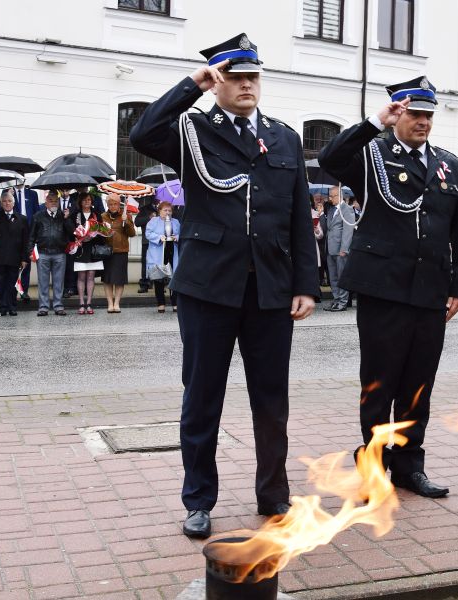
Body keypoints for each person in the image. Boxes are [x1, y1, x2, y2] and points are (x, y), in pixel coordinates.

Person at [130, 33, 319, 538]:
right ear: (217, 83)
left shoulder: (283, 137)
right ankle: (198, 499)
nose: (246, 85)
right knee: (202, 397)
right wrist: (191, 84)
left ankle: (273, 493)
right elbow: (142, 134)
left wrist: (306, 284)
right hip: (208, 287)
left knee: (271, 400)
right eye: (235, 78)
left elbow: (298, 216)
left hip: (270, 289)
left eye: (253, 77)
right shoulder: (193, 129)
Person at [319, 75, 458, 498]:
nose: (423, 122)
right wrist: (375, 122)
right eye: (415, 114)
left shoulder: (449, 165)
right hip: (382, 288)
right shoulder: (371, 155)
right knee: (379, 384)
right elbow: (331, 158)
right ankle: (372, 470)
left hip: (430, 289)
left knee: (418, 385)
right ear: (398, 114)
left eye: (428, 115)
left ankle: (409, 466)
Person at [30, 190, 74, 316]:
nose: (53, 203)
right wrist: (30, 251)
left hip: (59, 253)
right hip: (43, 253)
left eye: (56, 201)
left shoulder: (63, 215)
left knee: (58, 282)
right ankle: (43, 307)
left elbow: (72, 232)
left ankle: (58, 306)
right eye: (51, 201)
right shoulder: (38, 216)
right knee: (43, 282)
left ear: (59, 203)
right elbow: (31, 236)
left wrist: (67, 218)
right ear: (46, 203)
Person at [0, 190, 29, 316]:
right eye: (4, 201)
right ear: (1, 203)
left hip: (15, 257)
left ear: (13, 203)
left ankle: (12, 306)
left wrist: (24, 258)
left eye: (9, 201)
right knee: (1, 283)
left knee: (13, 283)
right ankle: (2, 307)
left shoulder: (22, 218)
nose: (7, 203)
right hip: (0, 257)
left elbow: (25, 240)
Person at [100, 193, 136, 313]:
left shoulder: (126, 215)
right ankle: (110, 303)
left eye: (115, 204)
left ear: (119, 204)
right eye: (110, 204)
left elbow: (132, 234)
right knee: (107, 279)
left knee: (119, 279)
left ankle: (117, 303)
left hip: (121, 251)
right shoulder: (103, 216)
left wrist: (127, 222)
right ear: (107, 204)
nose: (113, 206)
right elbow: (98, 233)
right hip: (107, 252)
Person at [70, 192, 104, 315]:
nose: (87, 202)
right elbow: (70, 230)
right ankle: (81, 303)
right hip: (81, 250)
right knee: (81, 276)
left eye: (89, 200)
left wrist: (93, 236)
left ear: (92, 201)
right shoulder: (75, 215)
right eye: (84, 200)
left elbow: (102, 232)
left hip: (93, 250)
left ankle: (89, 303)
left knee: (90, 276)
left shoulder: (97, 215)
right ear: (80, 202)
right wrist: (78, 238)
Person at [321, 186, 355, 312]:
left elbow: (348, 230)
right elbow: (328, 228)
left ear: (339, 195)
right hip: (330, 248)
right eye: (329, 196)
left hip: (341, 249)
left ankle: (343, 302)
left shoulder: (347, 209)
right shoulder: (331, 210)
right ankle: (336, 300)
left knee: (341, 277)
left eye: (332, 196)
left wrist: (344, 248)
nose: (330, 199)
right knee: (333, 277)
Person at [145, 201, 180, 312]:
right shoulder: (153, 221)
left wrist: (176, 237)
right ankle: (161, 303)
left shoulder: (176, 222)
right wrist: (159, 237)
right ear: (159, 211)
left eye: (169, 210)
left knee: (174, 278)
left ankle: (175, 303)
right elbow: (148, 234)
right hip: (158, 252)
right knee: (158, 278)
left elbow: (181, 234)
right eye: (165, 210)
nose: (167, 212)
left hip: (172, 252)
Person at [11, 183, 39, 303]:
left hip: (29, 232)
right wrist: (9, 195)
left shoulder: (32, 194)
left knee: (26, 263)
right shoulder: (8, 192)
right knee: (13, 263)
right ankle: (13, 291)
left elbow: (36, 212)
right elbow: (3, 211)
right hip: (13, 232)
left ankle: (24, 291)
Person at [59, 189, 78, 297]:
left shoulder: (75, 204)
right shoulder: (56, 202)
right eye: (62, 190)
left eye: (66, 190)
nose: (64, 192)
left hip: (71, 238)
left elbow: (77, 222)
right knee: (60, 266)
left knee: (70, 265)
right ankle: (60, 288)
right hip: (58, 239)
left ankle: (69, 288)